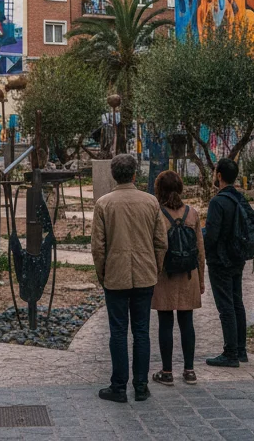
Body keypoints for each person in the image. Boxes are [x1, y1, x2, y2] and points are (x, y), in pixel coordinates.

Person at [92, 153, 168, 402]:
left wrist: (102, 273)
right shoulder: (151, 202)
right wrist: (155, 268)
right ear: (135, 174)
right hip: (145, 275)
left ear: (113, 175)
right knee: (142, 331)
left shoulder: (104, 204)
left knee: (118, 331)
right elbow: (161, 242)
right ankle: (141, 386)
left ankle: (118, 386)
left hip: (116, 275)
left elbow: (98, 247)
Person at [150, 170, 205, 386]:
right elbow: (200, 250)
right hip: (189, 275)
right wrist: (201, 280)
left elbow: (155, 248)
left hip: (165, 275)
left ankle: (167, 372)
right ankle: (189, 371)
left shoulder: (157, 215)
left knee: (165, 323)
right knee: (187, 322)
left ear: (158, 190)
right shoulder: (192, 214)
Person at [204, 158, 248, 367]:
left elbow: (211, 235)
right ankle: (240, 350)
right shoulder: (239, 198)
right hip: (237, 257)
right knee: (237, 302)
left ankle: (230, 353)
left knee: (226, 306)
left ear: (219, 176)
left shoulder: (217, 202)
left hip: (220, 261)